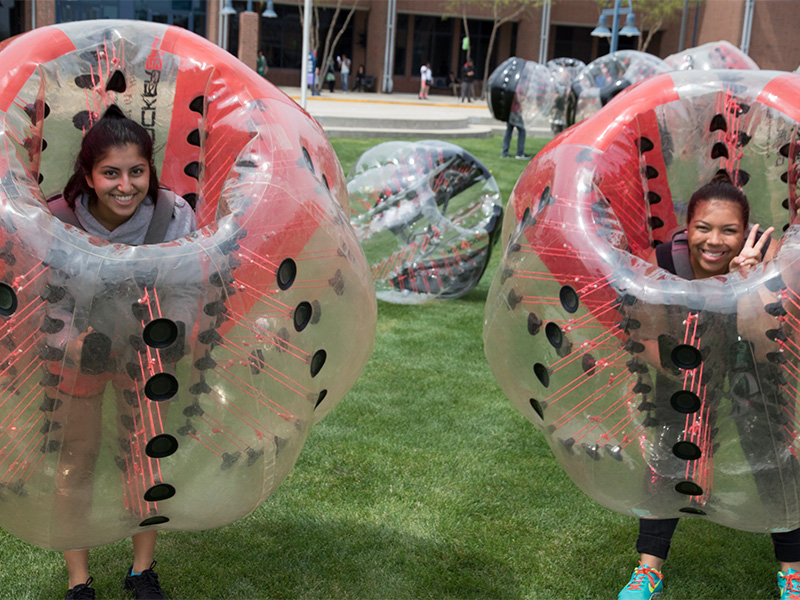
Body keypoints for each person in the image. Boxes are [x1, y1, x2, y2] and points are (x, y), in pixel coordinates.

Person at [618, 172, 800, 600]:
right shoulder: (662, 263)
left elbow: (763, 341)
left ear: (746, 231)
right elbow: (644, 340)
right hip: (682, 360)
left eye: (729, 230)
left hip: (751, 359)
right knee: (672, 450)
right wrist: (687, 364)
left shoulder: (766, 262)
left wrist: (746, 285)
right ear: (687, 226)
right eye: (703, 228)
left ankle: (792, 573)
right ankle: (648, 570)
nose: (714, 241)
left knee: (773, 454)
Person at [49, 105, 196, 600]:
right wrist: (67, 341)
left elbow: (189, 285)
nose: (125, 185)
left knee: (145, 460)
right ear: (88, 175)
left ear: (150, 170)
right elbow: (41, 295)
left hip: (148, 354)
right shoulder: (57, 219)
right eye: (110, 172)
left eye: (137, 171)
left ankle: (141, 571)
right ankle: (79, 581)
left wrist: (177, 328)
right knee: (77, 459)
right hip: (79, 354)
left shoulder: (173, 215)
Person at [501, 95, 530, 160]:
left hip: (510, 112)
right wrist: (524, 97)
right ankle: (520, 153)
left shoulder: (511, 87)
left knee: (509, 131)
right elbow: (518, 99)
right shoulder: (516, 87)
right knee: (522, 131)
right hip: (514, 113)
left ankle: (504, 152)